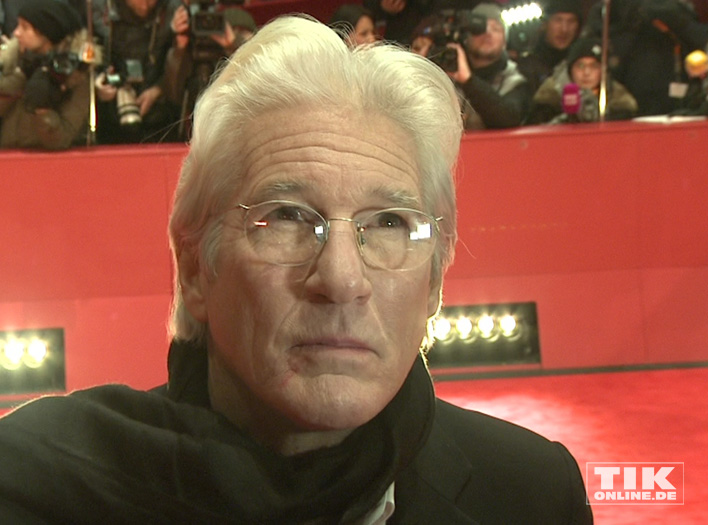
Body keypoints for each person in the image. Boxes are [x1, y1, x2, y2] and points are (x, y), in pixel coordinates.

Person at [0, 14, 593, 524]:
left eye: (389, 223)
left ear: (435, 277)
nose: (340, 279)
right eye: (286, 216)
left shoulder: (533, 495)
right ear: (193, 266)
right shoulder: (33, 490)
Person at [583, 0, 708, 116]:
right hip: (625, 105)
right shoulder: (609, 10)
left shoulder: (675, 9)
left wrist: (678, 21)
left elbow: (700, 39)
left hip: (677, 104)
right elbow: (589, 52)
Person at [0, 0, 90, 150]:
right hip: (7, 156)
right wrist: (18, 78)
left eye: (25, 27)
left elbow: (60, 140)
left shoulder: (75, 76)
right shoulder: (12, 61)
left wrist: (43, 111)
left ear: (47, 33)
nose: (16, 33)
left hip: (49, 163)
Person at [91, 0, 182, 144]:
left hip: (162, 113)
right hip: (109, 113)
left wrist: (160, 89)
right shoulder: (98, 9)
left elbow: (185, 64)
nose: (145, 4)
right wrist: (96, 83)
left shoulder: (173, 9)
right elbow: (82, 54)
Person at [165, 5, 257, 140]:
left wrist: (234, 44)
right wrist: (179, 50)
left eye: (241, 33)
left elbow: (256, 69)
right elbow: (173, 92)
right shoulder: (199, 65)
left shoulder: (258, 61)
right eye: (228, 29)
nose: (231, 34)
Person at [447, 3, 532, 129]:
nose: (488, 33)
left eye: (496, 28)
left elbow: (508, 119)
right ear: (466, 38)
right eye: (479, 28)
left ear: (504, 41)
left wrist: (468, 81)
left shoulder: (515, 79)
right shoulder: (447, 74)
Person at [526, 36, 638, 124]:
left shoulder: (619, 102)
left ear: (603, 71)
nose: (586, 73)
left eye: (594, 66)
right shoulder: (548, 100)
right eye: (580, 66)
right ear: (570, 70)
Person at [516, 0, 582, 96]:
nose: (564, 29)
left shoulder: (583, 63)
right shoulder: (528, 65)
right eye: (558, 20)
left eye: (571, 21)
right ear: (545, 24)